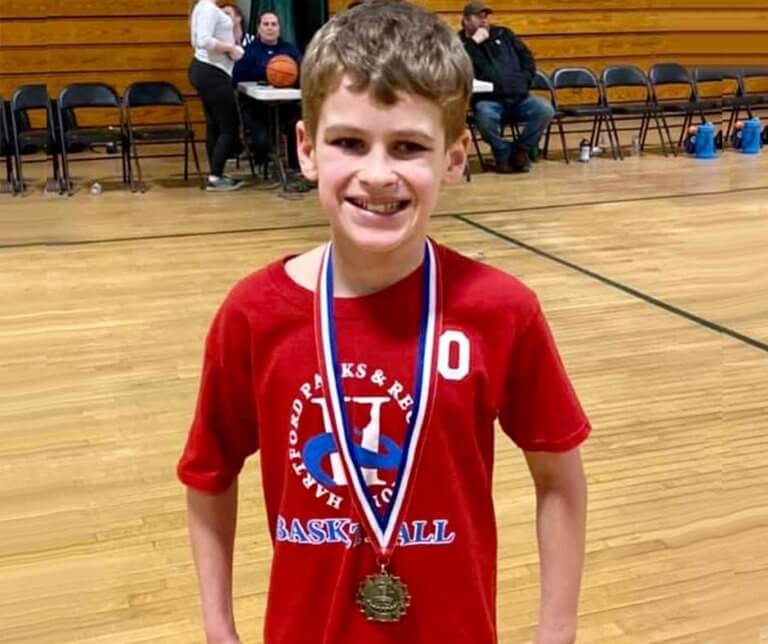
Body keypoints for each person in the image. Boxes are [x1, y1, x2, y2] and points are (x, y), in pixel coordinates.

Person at [177, 2, 589, 643]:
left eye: (408, 147)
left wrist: (555, 633)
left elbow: (560, 480)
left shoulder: (501, 310)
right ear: (308, 150)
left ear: (453, 159)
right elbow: (208, 476)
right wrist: (217, 630)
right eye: (348, 142)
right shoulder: (252, 315)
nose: (376, 174)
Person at [459, 1, 555, 173]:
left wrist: (524, 79)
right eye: (478, 17)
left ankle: (520, 150)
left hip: (519, 98)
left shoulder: (504, 34)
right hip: (488, 100)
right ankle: (503, 152)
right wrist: (474, 42)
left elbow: (527, 58)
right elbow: (457, 63)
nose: (484, 21)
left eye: (486, 16)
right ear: (466, 20)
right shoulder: (460, 42)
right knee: (484, 116)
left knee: (545, 110)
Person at [232, 11, 303, 170]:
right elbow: (237, 77)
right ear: (258, 28)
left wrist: (289, 78)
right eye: (266, 24)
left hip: (285, 104)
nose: (270, 28)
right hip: (256, 107)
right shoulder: (248, 51)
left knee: (298, 124)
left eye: (274, 24)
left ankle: (296, 166)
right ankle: (262, 163)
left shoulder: (289, 49)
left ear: (279, 28)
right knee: (261, 139)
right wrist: (269, 74)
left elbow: (302, 69)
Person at [188, 0, 245, 191]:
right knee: (229, 126)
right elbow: (203, 40)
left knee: (214, 125)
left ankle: (216, 173)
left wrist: (233, 36)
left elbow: (197, 40)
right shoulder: (208, 8)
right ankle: (215, 177)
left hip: (207, 71)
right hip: (212, 72)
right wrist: (230, 49)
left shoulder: (202, 8)